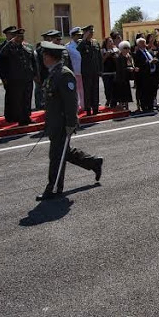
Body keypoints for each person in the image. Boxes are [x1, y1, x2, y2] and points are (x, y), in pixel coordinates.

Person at [36, 41, 103, 201]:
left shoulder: (64, 74)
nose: (43, 59)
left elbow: (71, 102)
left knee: (56, 155)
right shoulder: (54, 73)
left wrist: (71, 123)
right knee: (63, 152)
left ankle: (52, 188)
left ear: (52, 57)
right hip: (54, 122)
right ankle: (93, 163)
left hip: (62, 123)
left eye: (45, 56)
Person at [0, 27, 37, 125]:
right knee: (18, 99)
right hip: (15, 78)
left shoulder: (27, 46)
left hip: (27, 77)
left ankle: (27, 116)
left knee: (27, 98)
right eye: (18, 36)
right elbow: (2, 56)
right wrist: (11, 42)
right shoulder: (9, 47)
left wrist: (35, 74)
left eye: (22, 36)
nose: (20, 38)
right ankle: (20, 118)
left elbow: (33, 61)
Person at [76, 25, 103, 115]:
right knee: (87, 90)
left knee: (95, 89)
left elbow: (99, 57)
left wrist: (100, 69)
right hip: (86, 71)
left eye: (92, 32)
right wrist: (84, 39)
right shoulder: (82, 43)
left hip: (95, 70)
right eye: (90, 32)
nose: (92, 34)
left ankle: (95, 108)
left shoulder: (95, 42)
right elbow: (78, 50)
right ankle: (88, 109)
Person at [35, 30, 62, 110]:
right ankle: (40, 105)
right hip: (43, 73)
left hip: (53, 73)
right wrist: (37, 74)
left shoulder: (58, 48)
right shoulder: (40, 49)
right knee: (41, 90)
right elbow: (39, 62)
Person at [133, 38, 158, 112]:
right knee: (144, 91)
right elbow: (139, 64)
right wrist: (150, 62)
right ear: (138, 44)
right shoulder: (137, 53)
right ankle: (144, 106)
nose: (144, 44)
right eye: (142, 43)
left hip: (152, 74)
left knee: (151, 90)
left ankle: (150, 105)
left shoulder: (149, 51)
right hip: (143, 75)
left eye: (144, 43)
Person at [66, 27, 84, 110]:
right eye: (77, 35)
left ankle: (83, 105)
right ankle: (75, 106)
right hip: (74, 71)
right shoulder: (68, 47)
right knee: (75, 90)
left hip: (83, 71)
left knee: (83, 89)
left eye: (80, 35)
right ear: (72, 36)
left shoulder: (82, 45)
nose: (79, 37)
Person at [113, 41, 134, 110]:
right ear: (121, 49)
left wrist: (132, 67)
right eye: (125, 48)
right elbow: (120, 68)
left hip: (126, 77)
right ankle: (121, 106)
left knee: (127, 92)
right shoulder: (119, 57)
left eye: (128, 48)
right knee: (121, 93)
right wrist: (129, 69)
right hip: (120, 77)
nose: (127, 49)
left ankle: (127, 108)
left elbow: (131, 65)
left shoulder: (128, 56)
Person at [101, 37, 118, 108]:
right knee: (108, 88)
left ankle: (114, 103)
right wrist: (106, 56)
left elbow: (118, 61)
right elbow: (101, 62)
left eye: (112, 41)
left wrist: (115, 55)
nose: (111, 43)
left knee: (114, 88)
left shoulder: (115, 50)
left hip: (114, 72)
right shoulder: (103, 50)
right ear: (106, 43)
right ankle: (108, 100)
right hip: (106, 73)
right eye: (110, 41)